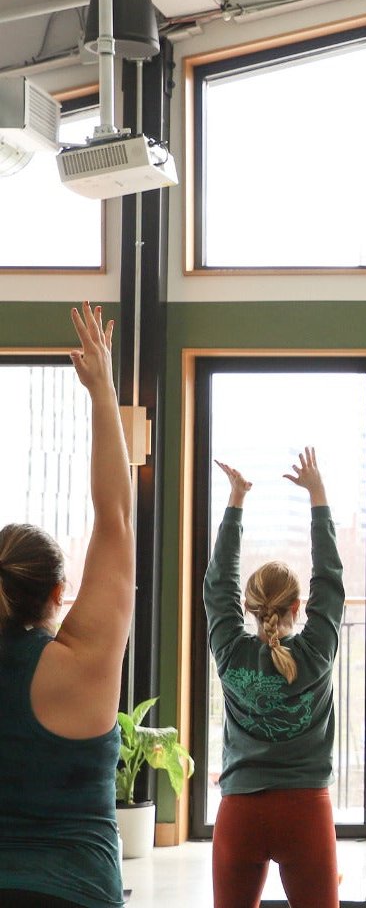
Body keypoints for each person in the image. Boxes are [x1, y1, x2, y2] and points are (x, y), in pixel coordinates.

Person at [0, 304, 132, 908]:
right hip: (74, 893)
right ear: (58, 593)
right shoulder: (82, 668)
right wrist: (102, 391)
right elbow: (116, 522)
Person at [205, 447, 344, 908]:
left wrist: (236, 501)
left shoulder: (229, 649)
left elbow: (216, 583)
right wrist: (318, 496)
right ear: (297, 608)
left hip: (240, 812)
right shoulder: (317, 649)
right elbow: (330, 576)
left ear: (247, 607)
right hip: (305, 811)